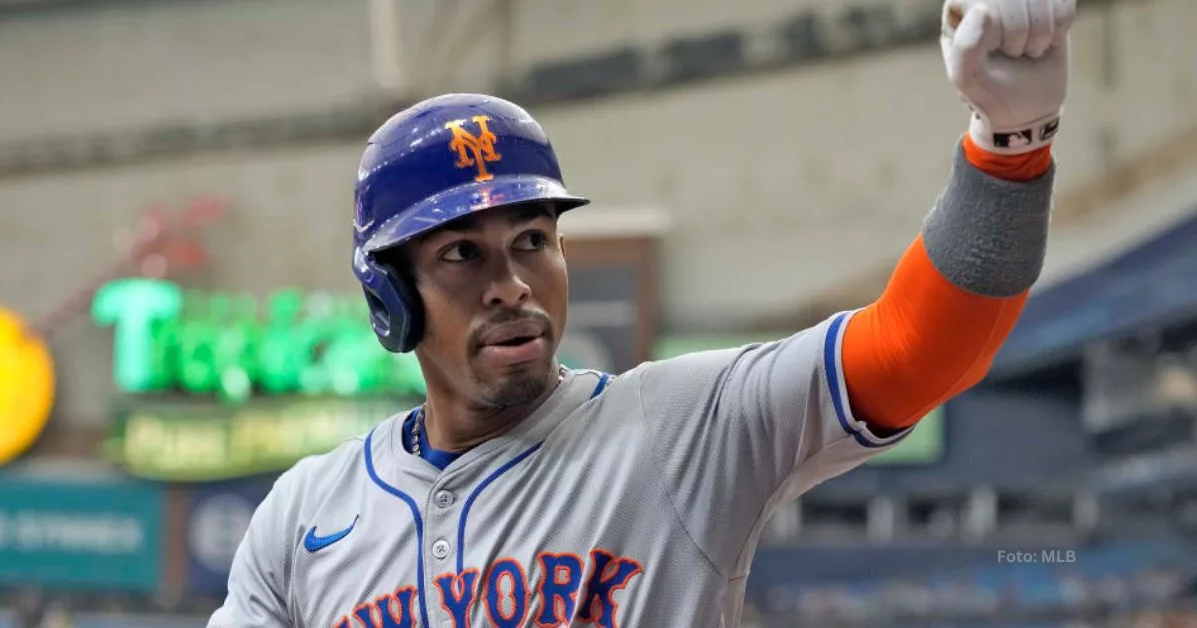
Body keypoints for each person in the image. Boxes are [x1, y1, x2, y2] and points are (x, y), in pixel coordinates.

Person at [208, 0, 1074, 625]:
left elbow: (915, 353)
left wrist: (1009, 143)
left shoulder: (676, 431)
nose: (509, 283)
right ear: (389, 298)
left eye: (533, 240)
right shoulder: (303, 517)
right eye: (461, 254)